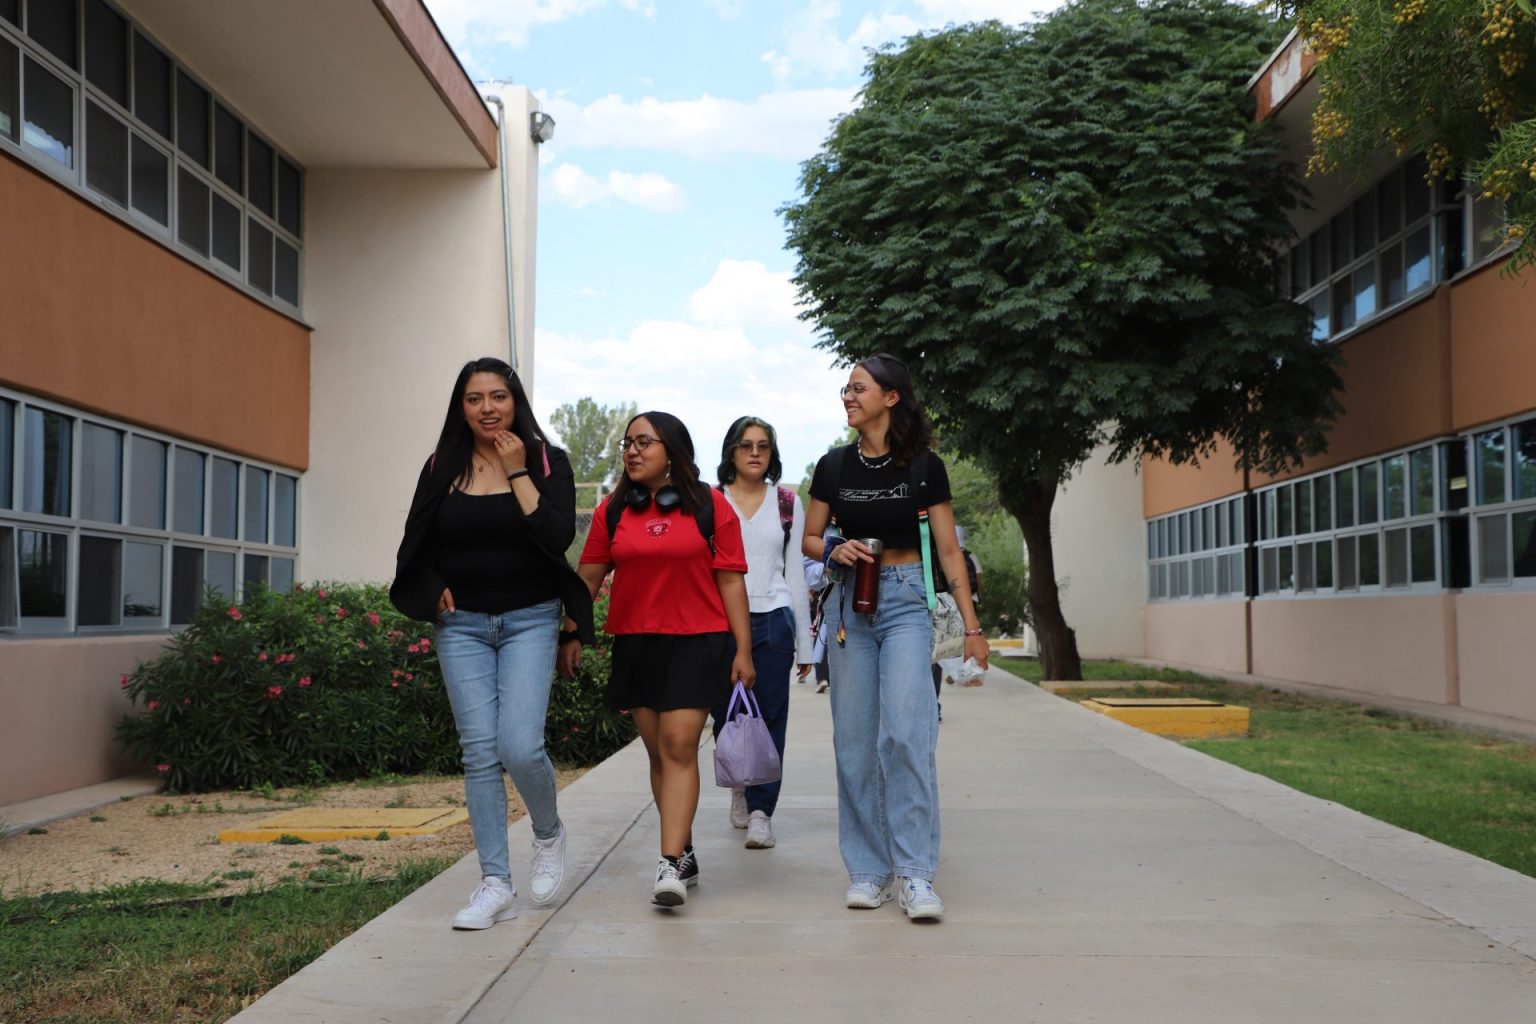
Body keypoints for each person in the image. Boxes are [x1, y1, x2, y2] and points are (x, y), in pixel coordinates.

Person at [389, 357, 594, 931]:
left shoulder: (548, 461)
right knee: (479, 752)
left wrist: (517, 470)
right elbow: (418, 543)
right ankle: (495, 882)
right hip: (462, 625)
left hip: (531, 618)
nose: (487, 408)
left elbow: (556, 535)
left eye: (498, 396)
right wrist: (431, 587)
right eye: (474, 398)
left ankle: (547, 833)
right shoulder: (441, 466)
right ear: (461, 407)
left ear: (515, 400)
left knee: (520, 746)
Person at [803, 353, 988, 922]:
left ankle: (914, 873)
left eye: (858, 388)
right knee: (854, 741)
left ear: (891, 397)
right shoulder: (833, 466)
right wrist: (834, 548)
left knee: (906, 734)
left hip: (908, 599)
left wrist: (973, 628)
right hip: (849, 605)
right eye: (846, 388)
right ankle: (868, 870)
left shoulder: (925, 467)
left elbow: (949, 550)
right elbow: (809, 537)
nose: (848, 396)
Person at [568, 411, 754, 908]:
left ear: (672, 451)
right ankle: (684, 850)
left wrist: (743, 649)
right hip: (637, 643)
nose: (632, 451)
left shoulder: (712, 507)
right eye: (627, 443)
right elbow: (587, 579)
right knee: (659, 755)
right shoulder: (613, 511)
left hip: (699, 640)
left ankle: (668, 863)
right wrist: (571, 632)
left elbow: (731, 580)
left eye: (643, 442)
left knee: (678, 746)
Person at [710, 417, 813, 850]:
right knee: (726, 714)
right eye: (746, 444)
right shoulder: (711, 500)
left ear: (772, 454)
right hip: (719, 622)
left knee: (770, 717)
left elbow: (796, 575)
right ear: (731, 451)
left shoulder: (787, 502)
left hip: (773, 618)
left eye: (763, 446)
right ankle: (740, 783)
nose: (755, 453)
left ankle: (761, 812)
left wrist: (806, 645)